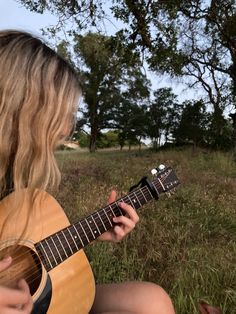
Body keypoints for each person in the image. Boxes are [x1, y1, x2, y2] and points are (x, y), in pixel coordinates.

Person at [0, 30, 175, 314]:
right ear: (22, 109)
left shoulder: (15, 177)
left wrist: (92, 234)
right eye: (57, 115)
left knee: (151, 301)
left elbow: (25, 252)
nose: (66, 129)